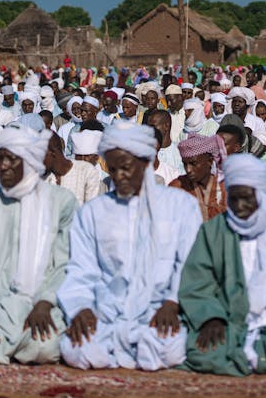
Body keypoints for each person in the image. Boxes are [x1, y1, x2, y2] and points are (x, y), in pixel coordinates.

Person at [58, 122, 202, 371]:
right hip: (107, 313)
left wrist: (172, 301)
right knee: (76, 348)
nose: (118, 177)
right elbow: (81, 268)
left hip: (159, 310)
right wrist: (81, 307)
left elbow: (190, 263)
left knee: (171, 347)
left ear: (146, 163)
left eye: (125, 168)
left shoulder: (180, 205)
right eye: (112, 170)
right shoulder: (93, 211)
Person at [178, 154, 266, 375]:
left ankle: (253, 357)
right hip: (228, 320)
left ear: (262, 195)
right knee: (201, 350)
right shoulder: (214, 230)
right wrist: (210, 318)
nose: (240, 206)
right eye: (233, 199)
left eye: (247, 198)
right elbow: (197, 282)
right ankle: (253, 358)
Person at [0, 124, 78, 366]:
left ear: (30, 161)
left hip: (44, 302)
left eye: (12, 159)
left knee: (46, 348)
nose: (3, 166)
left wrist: (45, 302)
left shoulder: (61, 202)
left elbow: (66, 264)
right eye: (1, 158)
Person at [169, 134, 227, 221]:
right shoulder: (177, 188)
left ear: (210, 161)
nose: (188, 169)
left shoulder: (224, 189)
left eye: (193, 164)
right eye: (185, 164)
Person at [44, 133, 102, 206]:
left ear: (52, 153)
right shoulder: (42, 178)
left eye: (39, 155)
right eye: (79, 156)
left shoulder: (88, 171)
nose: (83, 159)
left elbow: (90, 210)